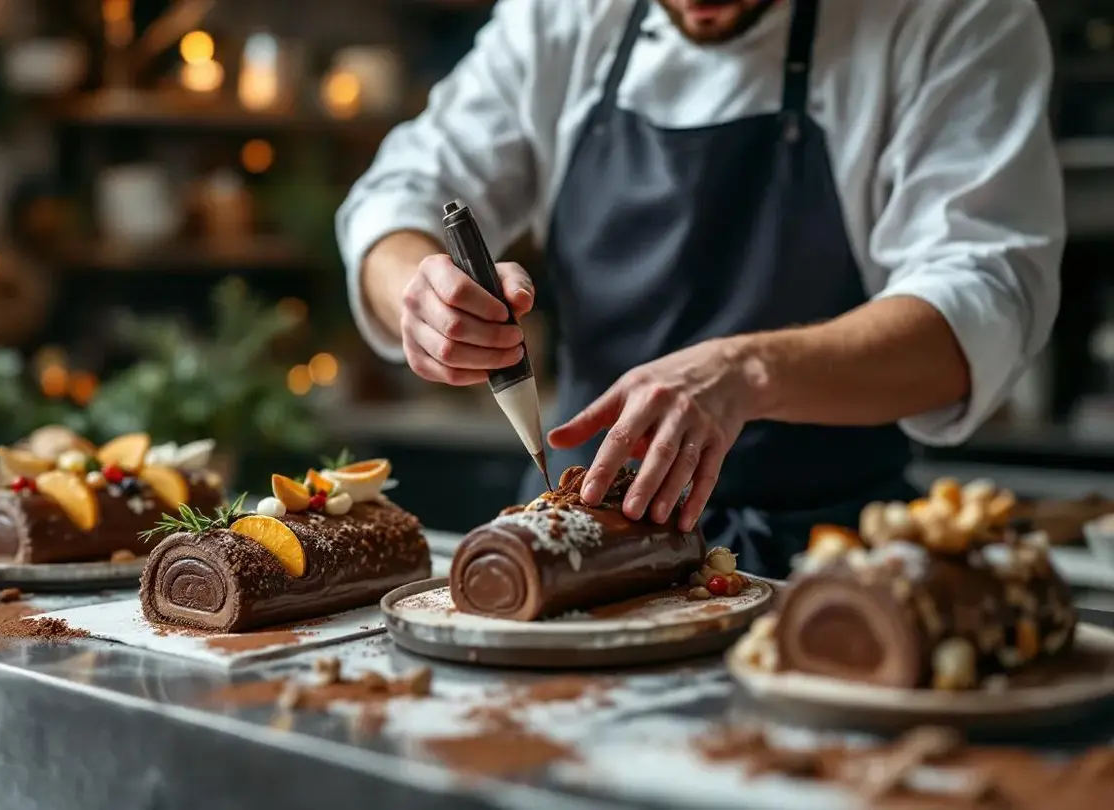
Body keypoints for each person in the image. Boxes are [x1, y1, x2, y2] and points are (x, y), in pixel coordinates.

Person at [336, 0, 1063, 577]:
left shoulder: (952, 17)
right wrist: (419, 290)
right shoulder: (562, 16)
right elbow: (400, 194)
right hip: (576, 554)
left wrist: (744, 372)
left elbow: (985, 297)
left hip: (832, 568)